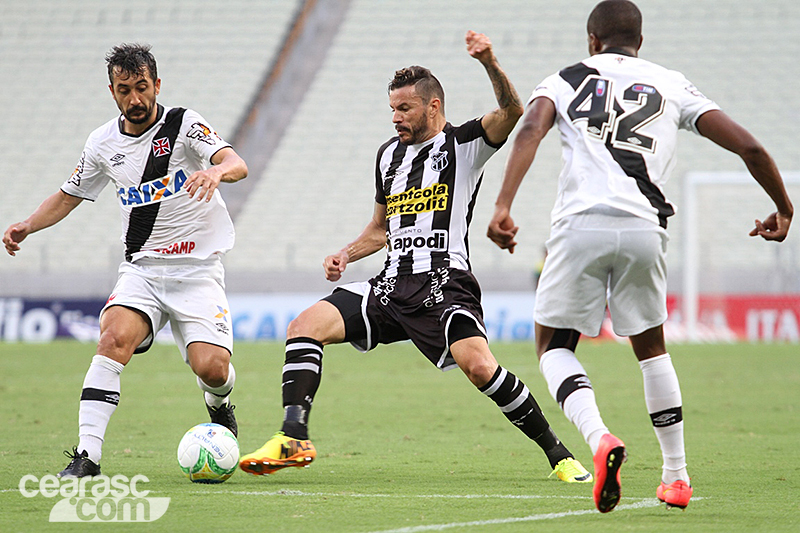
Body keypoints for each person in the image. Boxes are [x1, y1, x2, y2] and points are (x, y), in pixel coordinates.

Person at [239, 31, 591, 484]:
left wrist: (488, 62)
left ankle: (558, 455)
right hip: (390, 285)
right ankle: (293, 436)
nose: (395, 118)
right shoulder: (388, 157)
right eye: (392, 109)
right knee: (303, 328)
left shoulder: (464, 144)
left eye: (404, 108)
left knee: (481, 367)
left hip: (444, 283)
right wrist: (345, 253)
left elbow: (513, 113)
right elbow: (380, 229)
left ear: (433, 106)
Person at [487, 0, 793, 513]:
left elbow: (530, 129)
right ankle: (676, 476)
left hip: (579, 227)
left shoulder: (566, 79)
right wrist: (783, 208)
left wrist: (503, 205)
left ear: (591, 40)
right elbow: (752, 149)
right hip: (644, 229)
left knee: (554, 348)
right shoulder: (670, 83)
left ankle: (600, 439)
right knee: (652, 349)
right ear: (640, 42)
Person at [3, 44, 248, 478]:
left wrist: (215, 171)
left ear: (156, 85)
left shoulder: (184, 125)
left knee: (212, 369)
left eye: (141, 87)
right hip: (143, 271)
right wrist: (28, 225)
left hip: (197, 271)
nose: (134, 99)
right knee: (112, 340)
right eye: (123, 90)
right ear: (112, 92)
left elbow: (236, 162)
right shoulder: (102, 143)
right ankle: (87, 457)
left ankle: (219, 404)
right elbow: (68, 195)